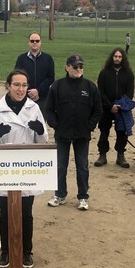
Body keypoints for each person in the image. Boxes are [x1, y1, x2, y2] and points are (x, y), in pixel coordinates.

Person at [0, 69, 48, 268]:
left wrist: (39, 130)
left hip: (27, 168)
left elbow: (43, 141)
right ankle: (6, 251)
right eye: (17, 85)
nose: (21, 89)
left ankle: (27, 252)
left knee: (26, 212)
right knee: (5, 212)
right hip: (5, 168)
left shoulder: (34, 108)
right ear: (8, 86)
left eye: (24, 85)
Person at [44, 54, 102, 210]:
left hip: (82, 135)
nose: (78, 69)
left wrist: (89, 126)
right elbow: (48, 109)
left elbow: (98, 110)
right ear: (67, 67)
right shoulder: (57, 86)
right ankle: (60, 195)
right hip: (62, 134)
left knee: (82, 166)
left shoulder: (90, 87)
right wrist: (55, 124)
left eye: (81, 66)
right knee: (60, 166)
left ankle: (83, 197)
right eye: (75, 66)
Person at [94, 48, 135, 168]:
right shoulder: (104, 73)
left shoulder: (128, 73)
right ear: (112, 57)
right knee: (104, 131)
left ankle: (120, 155)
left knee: (122, 132)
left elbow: (130, 92)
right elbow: (100, 91)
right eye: (115, 56)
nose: (117, 58)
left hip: (122, 108)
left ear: (123, 58)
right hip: (106, 107)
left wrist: (121, 105)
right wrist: (110, 105)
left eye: (120, 57)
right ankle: (102, 154)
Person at [14, 31, 55, 112]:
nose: (35, 43)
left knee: (40, 122)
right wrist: (29, 91)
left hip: (43, 98)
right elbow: (17, 77)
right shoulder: (21, 58)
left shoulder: (48, 58)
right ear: (28, 43)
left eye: (37, 41)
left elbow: (51, 77)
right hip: (24, 97)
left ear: (40, 42)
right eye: (32, 41)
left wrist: (38, 90)